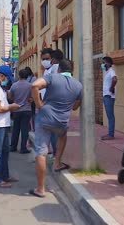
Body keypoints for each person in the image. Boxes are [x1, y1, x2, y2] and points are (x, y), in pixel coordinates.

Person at [29, 59, 82, 198]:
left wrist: (39, 104)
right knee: (62, 136)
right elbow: (76, 106)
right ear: (72, 70)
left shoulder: (52, 77)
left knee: (41, 152)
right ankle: (57, 162)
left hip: (45, 119)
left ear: (59, 69)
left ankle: (40, 189)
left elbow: (34, 85)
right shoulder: (78, 85)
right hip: (62, 121)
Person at [8, 69, 32, 154]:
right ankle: (23, 148)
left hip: (16, 110)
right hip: (26, 110)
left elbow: (10, 97)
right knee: (25, 130)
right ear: (27, 76)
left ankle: (13, 146)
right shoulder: (30, 85)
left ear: (19, 76)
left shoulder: (14, 85)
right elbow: (32, 97)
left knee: (16, 129)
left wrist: (15, 100)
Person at [101, 56, 118, 140]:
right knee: (109, 115)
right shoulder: (107, 72)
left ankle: (111, 135)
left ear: (108, 63)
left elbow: (115, 79)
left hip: (109, 96)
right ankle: (110, 133)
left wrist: (111, 88)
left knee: (110, 115)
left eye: (104, 62)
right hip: (106, 95)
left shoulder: (111, 71)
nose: (102, 64)